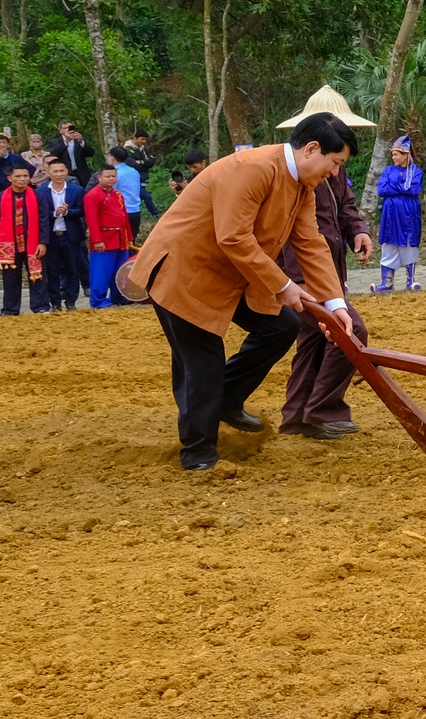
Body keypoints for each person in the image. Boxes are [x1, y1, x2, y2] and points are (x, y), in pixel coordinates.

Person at [124, 112, 356, 469]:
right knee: (202, 364)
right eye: (335, 162)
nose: (335, 173)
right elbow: (232, 236)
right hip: (184, 272)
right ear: (312, 149)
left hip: (233, 275)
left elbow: (312, 243)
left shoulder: (303, 188)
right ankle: (198, 454)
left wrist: (335, 302)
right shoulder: (253, 168)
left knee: (282, 327)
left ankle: (227, 398)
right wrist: (283, 285)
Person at [274, 88, 376, 440]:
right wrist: (298, 280)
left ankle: (297, 416)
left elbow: (345, 207)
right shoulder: (292, 175)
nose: (336, 168)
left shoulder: (334, 169)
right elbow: (292, 233)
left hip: (330, 269)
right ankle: (323, 410)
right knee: (349, 331)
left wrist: (358, 231)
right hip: (302, 272)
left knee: (314, 340)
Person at [0, 161, 46, 315]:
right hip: (9, 245)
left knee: (37, 276)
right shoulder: (0, 197)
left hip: (32, 243)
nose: (22, 179)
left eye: (25, 176)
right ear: (10, 178)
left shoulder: (37, 195)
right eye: (18, 176)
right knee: (10, 279)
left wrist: (43, 242)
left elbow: (43, 221)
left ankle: (40, 306)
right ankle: (10, 309)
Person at [80, 159, 134, 309]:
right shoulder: (92, 195)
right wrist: (97, 240)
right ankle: (98, 300)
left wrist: (129, 237)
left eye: (113, 176)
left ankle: (118, 296)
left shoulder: (118, 195)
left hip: (120, 238)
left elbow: (124, 217)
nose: (111, 179)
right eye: (108, 176)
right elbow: (92, 220)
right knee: (101, 271)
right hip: (104, 240)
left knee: (120, 270)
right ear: (99, 178)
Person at [374, 137, 426, 291]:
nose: (394, 157)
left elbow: (413, 189)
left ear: (406, 154)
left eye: (396, 154)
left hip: (409, 214)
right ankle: (387, 283)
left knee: (409, 244)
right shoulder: (389, 170)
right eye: (393, 155)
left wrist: (394, 186)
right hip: (390, 215)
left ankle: (411, 281)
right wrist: (402, 186)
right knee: (389, 244)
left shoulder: (416, 172)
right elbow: (382, 189)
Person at [36, 157, 86, 313]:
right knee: (52, 271)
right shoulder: (41, 192)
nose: (59, 174)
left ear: (67, 172)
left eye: (61, 171)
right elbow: (39, 214)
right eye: (55, 171)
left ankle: (71, 301)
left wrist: (68, 212)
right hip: (50, 237)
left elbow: (81, 211)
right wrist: (54, 213)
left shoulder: (76, 190)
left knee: (73, 270)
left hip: (70, 235)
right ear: (48, 173)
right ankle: (55, 303)